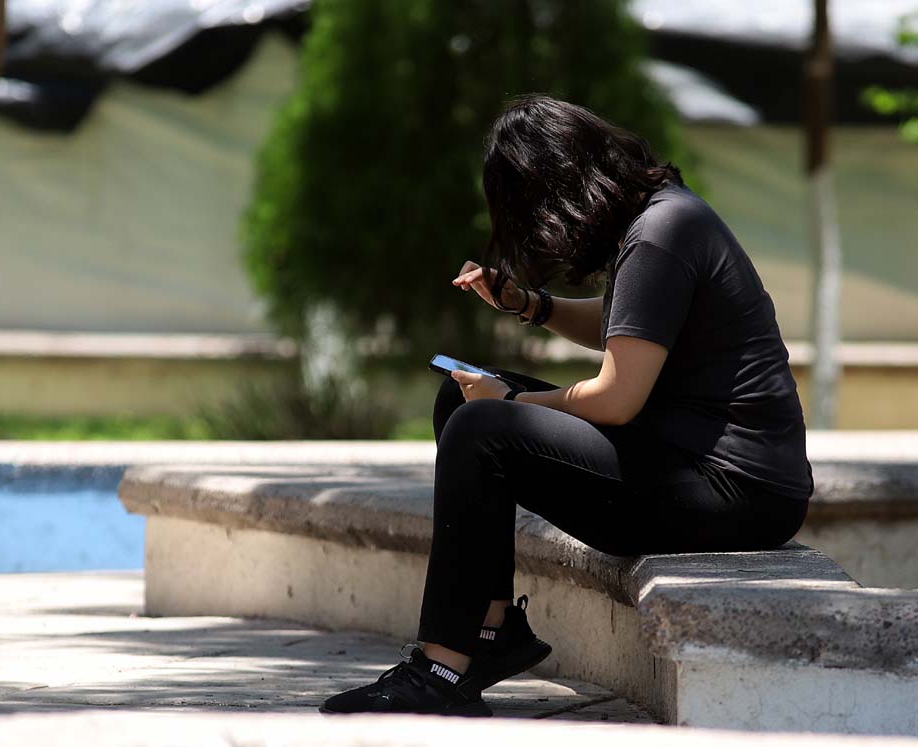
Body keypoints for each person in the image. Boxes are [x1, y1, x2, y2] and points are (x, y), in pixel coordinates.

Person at [320, 97, 813, 717]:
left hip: (735, 493)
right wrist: (532, 304)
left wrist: (516, 401)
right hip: (696, 470)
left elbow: (616, 397)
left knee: (482, 424)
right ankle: (493, 633)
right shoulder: (665, 219)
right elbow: (625, 325)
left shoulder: (661, 233)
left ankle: (441, 669)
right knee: (464, 396)